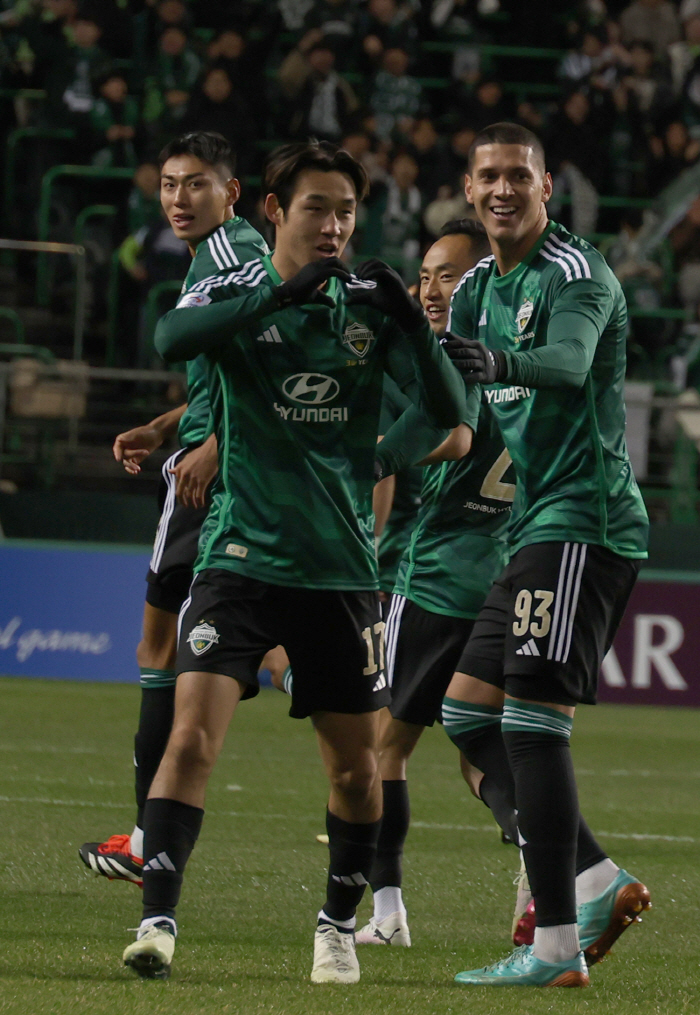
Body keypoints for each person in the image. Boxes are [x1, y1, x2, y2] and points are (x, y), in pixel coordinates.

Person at [120, 139, 468, 984]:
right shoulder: (240, 289)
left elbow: (450, 412)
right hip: (238, 560)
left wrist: (407, 341)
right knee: (191, 740)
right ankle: (157, 920)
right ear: (274, 210)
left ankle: (337, 924)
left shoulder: (368, 310)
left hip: (339, 573)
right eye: (317, 207)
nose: (334, 225)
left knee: (355, 767)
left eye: (346, 211)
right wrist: (278, 293)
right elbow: (171, 336)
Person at [441, 121, 651, 988]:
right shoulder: (474, 289)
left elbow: (565, 363)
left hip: (585, 523)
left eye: (517, 176)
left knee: (530, 721)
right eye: (487, 175)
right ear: (468, 188)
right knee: (467, 714)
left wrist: (496, 359)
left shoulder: (578, 272)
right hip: (535, 525)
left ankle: (558, 946)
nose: (502, 189)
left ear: (545, 188)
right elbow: (457, 413)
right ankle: (596, 877)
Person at [78, 131, 270, 886]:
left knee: (157, 648)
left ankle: (142, 838)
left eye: (196, 184)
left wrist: (214, 442)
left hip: (209, 481)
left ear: (232, 192)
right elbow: (224, 373)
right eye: (168, 184)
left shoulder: (231, 260)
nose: (178, 199)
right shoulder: (223, 253)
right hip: (220, 460)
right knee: (264, 640)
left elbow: (273, 365)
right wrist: (166, 425)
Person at [355, 217, 516, 948]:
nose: (428, 288)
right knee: (478, 744)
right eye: (423, 275)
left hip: (435, 580)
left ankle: (387, 914)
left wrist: (376, 455)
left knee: (383, 747)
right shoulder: (513, 355)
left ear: (479, 279)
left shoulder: (459, 353)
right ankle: (542, 850)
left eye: (446, 275)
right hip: (502, 577)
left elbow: (454, 435)